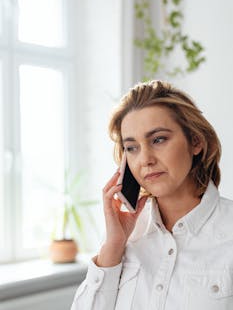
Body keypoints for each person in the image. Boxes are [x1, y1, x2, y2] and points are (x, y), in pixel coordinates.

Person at [71, 80, 233, 310]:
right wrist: (113, 247)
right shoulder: (126, 236)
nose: (145, 159)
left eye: (158, 140)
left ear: (195, 141)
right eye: (132, 147)